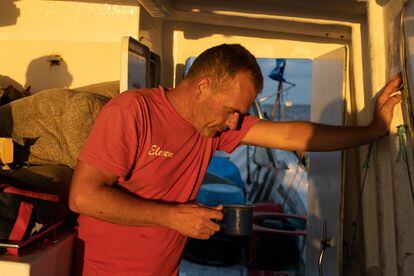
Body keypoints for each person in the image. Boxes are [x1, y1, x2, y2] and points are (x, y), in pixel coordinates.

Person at [69, 44, 402, 275]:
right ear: (202, 86)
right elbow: (83, 196)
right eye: (230, 111)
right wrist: (172, 217)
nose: (233, 123)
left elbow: (290, 136)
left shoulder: (211, 126)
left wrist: (373, 130)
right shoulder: (132, 112)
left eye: (238, 115)